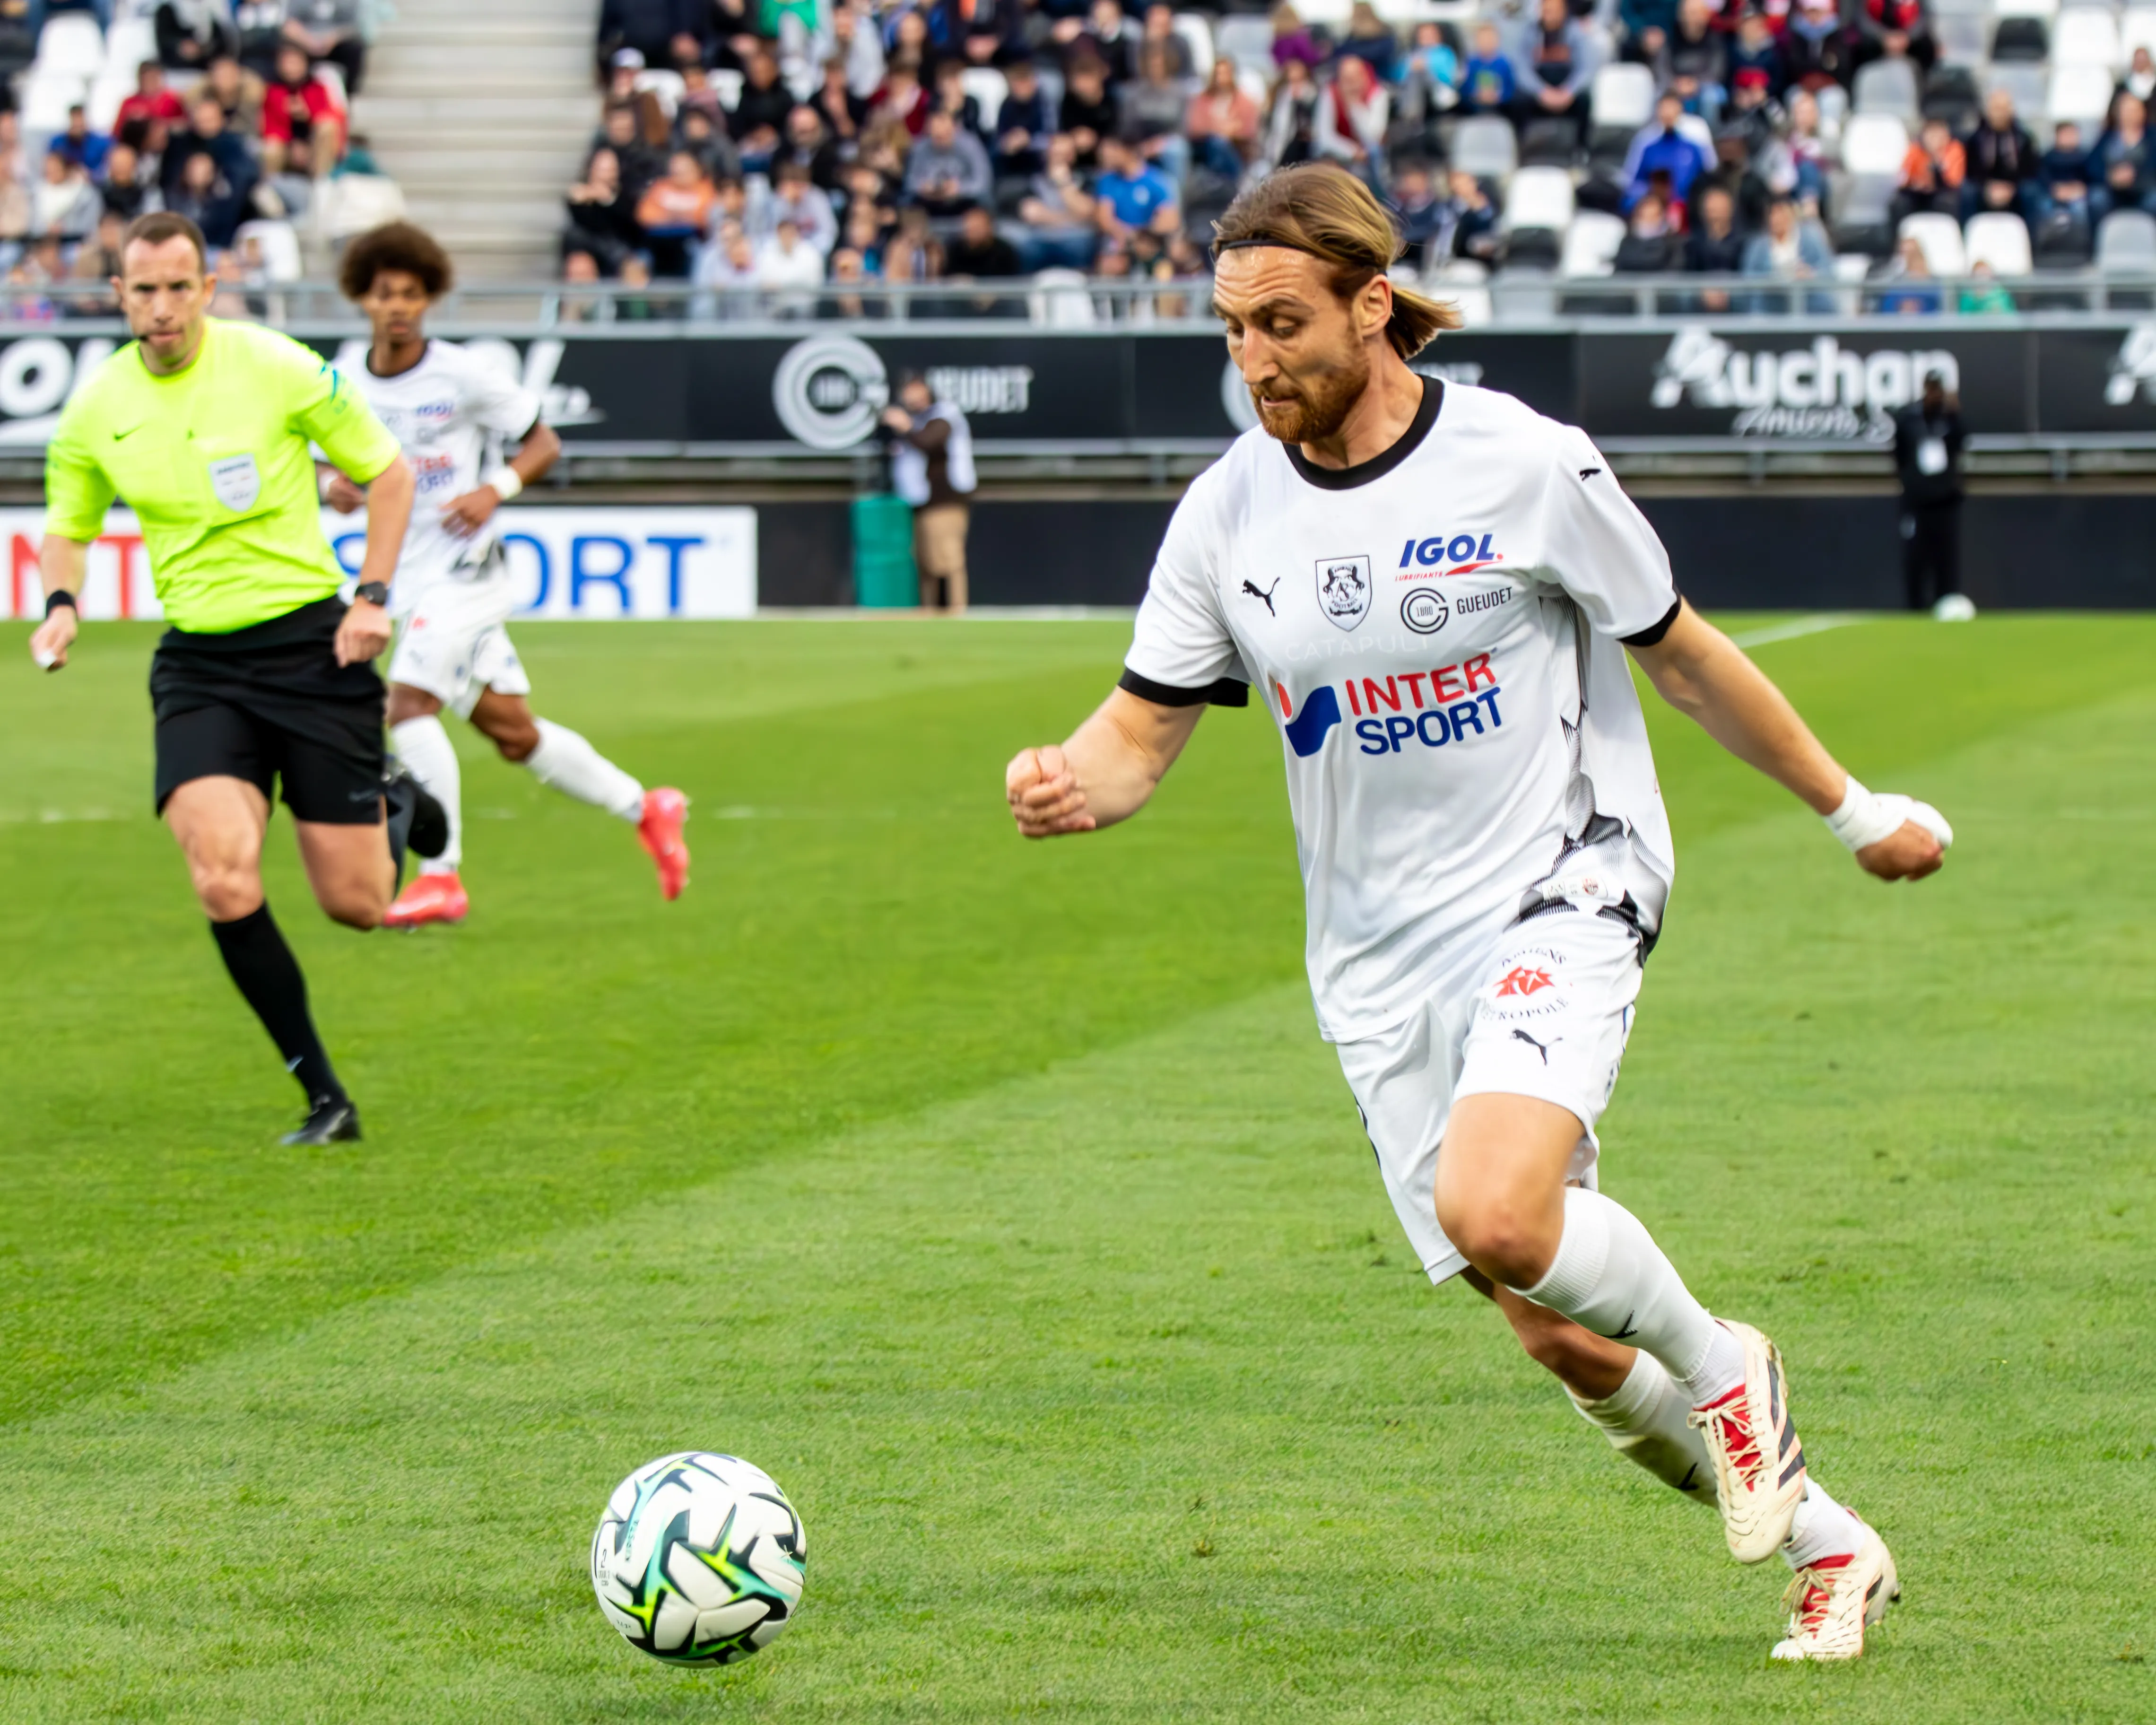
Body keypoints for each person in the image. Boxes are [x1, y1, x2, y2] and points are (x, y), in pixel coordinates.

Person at [1003, 163, 1951, 1665]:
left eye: (1281, 322)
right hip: (1374, 961)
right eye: (1227, 330)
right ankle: (1832, 1549)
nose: (1252, 359)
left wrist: (1853, 812)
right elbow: (1141, 731)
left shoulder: (1522, 463)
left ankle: (1723, 1360)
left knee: (1496, 1210)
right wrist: (1069, 780)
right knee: (1553, 1328)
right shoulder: (1224, 515)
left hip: (1562, 876)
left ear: (1371, 305)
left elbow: (1683, 654)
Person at [29, 211, 430, 1147]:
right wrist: (60, 602)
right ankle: (326, 1098)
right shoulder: (98, 406)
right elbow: (70, 522)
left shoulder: (275, 365)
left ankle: (396, 802)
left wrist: (373, 596)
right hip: (201, 665)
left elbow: (390, 474)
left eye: (180, 288)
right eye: (144, 290)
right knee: (222, 877)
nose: (162, 308)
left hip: (314, 649)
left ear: (208, 290)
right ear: (118, 294)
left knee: (359, 907)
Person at [325, 223, 690, 929]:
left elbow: (542, 441)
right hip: (405, 578)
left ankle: (442, 876)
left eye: (411, 294)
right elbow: (320, 462)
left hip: (467, 574)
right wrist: (327, 484)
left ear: (429, 299)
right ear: (361, 300)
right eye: (383, 295)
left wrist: (495, 489)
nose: (397, 307)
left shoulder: (461, 374)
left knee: (405, 707)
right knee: (514, 734)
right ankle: (648, 808)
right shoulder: (343, 381)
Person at [880, 371, 975, 612]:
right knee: (927, 562)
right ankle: (930, 614)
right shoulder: (917, 419)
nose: (911, 396)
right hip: (920, 502)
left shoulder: (944, 415)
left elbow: (929, 442)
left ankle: (956, 611)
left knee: (948, 560)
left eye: (916, 389)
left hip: (945, 501)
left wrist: (906, 426)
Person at [1891, 369, 1970, 619]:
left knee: (1946, 556)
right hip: (1917, 501)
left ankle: (1945, 604)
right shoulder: (1910, 419)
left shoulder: (1949, 418)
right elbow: (1899, 454)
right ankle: (1915, 608)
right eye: (1932, 388)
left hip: (1945, 500)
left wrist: (1955, 411)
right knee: (1916, 556)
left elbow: (1962, 442)